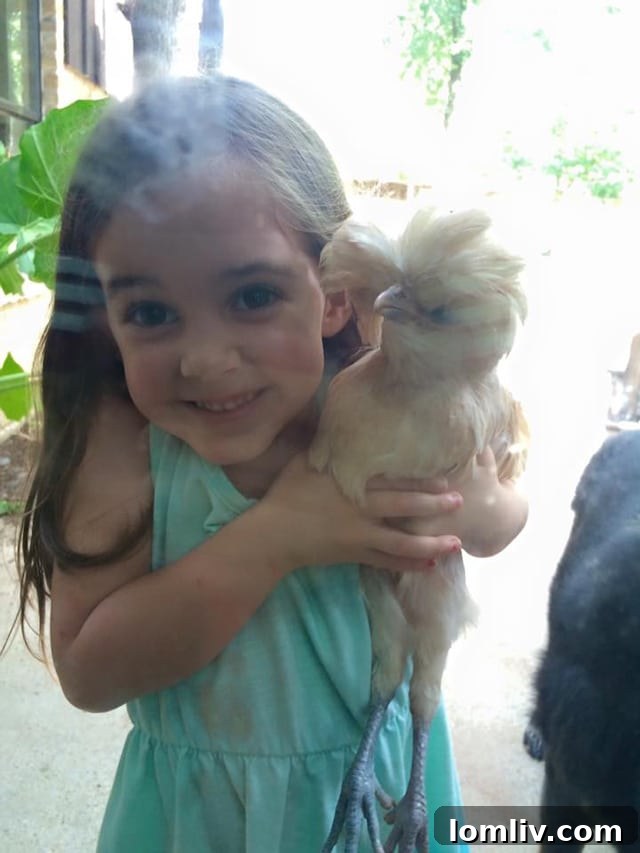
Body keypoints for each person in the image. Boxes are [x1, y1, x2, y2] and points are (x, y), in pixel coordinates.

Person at [14, 75, 528, 852]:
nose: (207, 360)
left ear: (335, 295)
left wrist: (479, 508)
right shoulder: (126, 445)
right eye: (151, 313)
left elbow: (501, 511)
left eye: (252, 295)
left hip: (386, 796)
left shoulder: (382, 403)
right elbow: (88, 672)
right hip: (201, 822)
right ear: (107, 318)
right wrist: (278, 536)